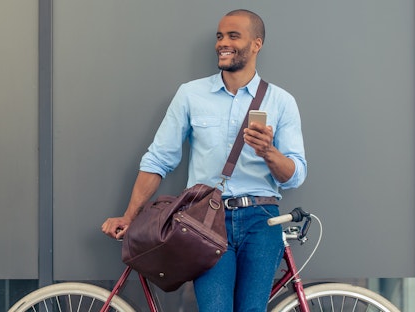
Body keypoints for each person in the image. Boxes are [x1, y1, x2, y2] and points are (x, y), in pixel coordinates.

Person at [101, 9, 307, 311]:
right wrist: (130, 216)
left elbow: (296, 174)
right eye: (220, 36)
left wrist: (269, 152)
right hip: (206, 221)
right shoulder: (191, 94)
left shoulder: (281, 101)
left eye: (233, 36)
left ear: (256, 44)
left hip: (262, 220)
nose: (222, 43)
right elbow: (159, 159)